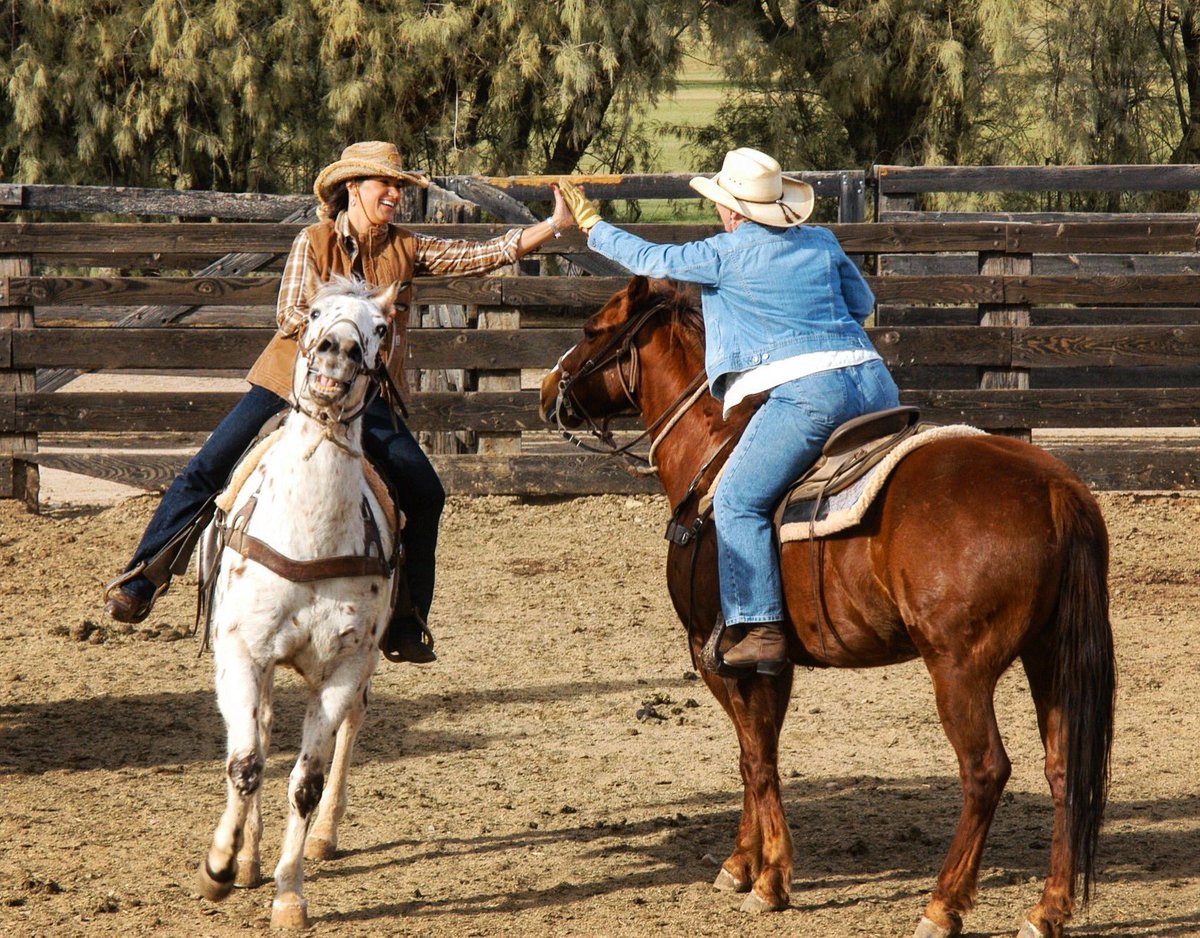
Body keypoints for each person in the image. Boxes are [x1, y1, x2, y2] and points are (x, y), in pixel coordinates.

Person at [105, 140, 573, 664]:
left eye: (398, 186)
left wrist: (552, 226)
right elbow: (289, 314)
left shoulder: (406, 247)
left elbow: (480, 255)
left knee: (425, 493)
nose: (394, 194)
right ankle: (142, 578)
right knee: (209, 467)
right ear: (353, 187)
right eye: (384, 184)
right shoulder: (313, 240)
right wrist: (349, 320)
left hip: (365, 393)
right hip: (290, 381)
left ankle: (406, 620)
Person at [558, 148, 900, 675]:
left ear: (735, 212)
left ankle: (760, 628)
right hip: (877, 386)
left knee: (737, 500)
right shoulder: (822, 241)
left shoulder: (724, 254)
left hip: (810, 396)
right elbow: (862, 303)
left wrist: (590, 224)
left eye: (721, 202)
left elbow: (650, 259)